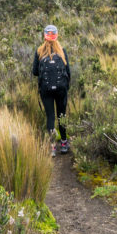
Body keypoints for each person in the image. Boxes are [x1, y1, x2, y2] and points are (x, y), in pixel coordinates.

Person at [32, 24, 71, 156]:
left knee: (50, 117)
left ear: (45, 37)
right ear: (56, 36)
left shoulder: (39, 51)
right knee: (61, 115)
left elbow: (35, 72)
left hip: (46, 90)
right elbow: (68, 71)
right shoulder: (62, 50)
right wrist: (65, 86)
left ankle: (53, 146)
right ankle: (64, 143)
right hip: (61, 89)